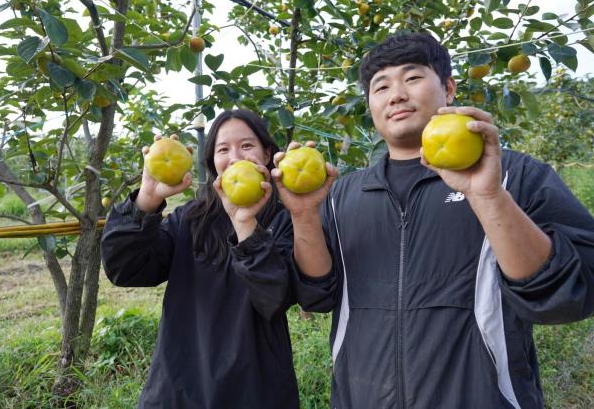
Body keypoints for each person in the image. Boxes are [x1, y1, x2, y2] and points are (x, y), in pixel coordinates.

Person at [273, 32, 594, 408]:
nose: (396, 95)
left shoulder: (514, 176)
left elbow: (573, 295)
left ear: (449, 89)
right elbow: (317, 296)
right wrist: (304, 213)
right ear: (371, 105)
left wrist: (489, 197)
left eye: (412, 78)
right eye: (381, 87)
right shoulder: (345, 194)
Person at [101, 109, 302, 409]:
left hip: (255, 389)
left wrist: (245, 224)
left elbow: (274, 296)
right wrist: (147, 198)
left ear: (267, 153)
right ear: (213, 164)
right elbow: (125, 269)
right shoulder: (191, 219)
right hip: (179, 389)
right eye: (223, 149)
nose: (234, 157)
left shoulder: (285, 221)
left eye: (246, 146)